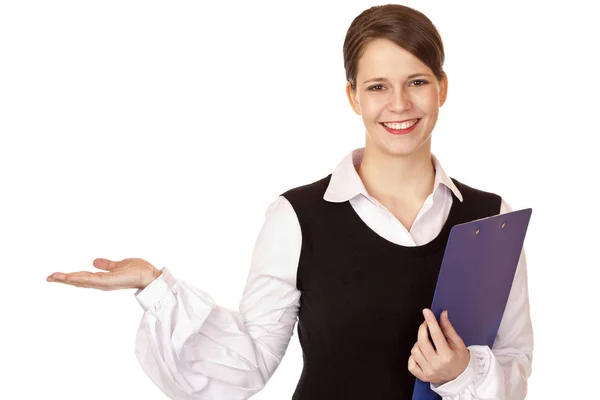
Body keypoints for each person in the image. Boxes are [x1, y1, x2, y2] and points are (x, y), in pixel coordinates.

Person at [46, 4, 533, 399]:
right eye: (378, 86)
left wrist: (463, 374)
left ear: (442, 88)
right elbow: (249, 363)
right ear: (353, 97)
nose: (399, 104)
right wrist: (157, 289)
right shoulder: (299, 217)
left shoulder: (492, 219)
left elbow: (515, 365)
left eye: (417, 82)